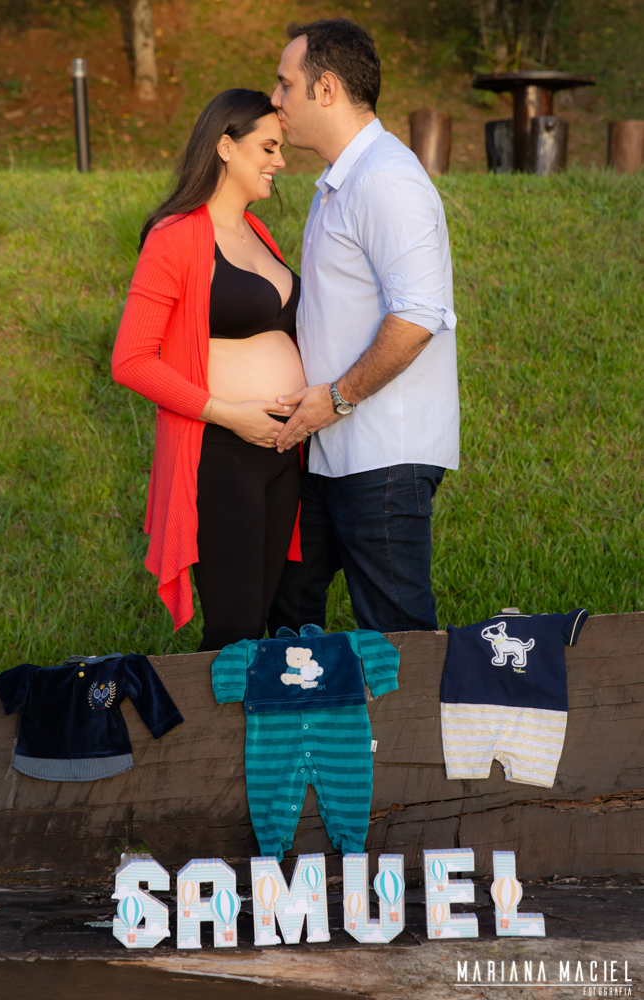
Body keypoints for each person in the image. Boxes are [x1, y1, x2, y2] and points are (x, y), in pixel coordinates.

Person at [268, 19, 459, 636]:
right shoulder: (340, 182)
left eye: (285, 84)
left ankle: (411, 712)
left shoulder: (385, 177)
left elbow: (419, 314)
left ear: (326, 88)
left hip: (383, 456)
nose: (275, 99)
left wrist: (338, 397)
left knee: (397, 635)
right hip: (329, 450)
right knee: (288, 613)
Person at [112, 89, 306, 651]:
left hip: (282, 452)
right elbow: (131, 359)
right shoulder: (174, 237)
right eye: (268, 147)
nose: (280, 161)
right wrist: (228, 414)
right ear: (225, 145)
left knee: (268, 623)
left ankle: (261, 712)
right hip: (223, 451)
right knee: (234, 631)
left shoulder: (260, 234)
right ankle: (204, 713)